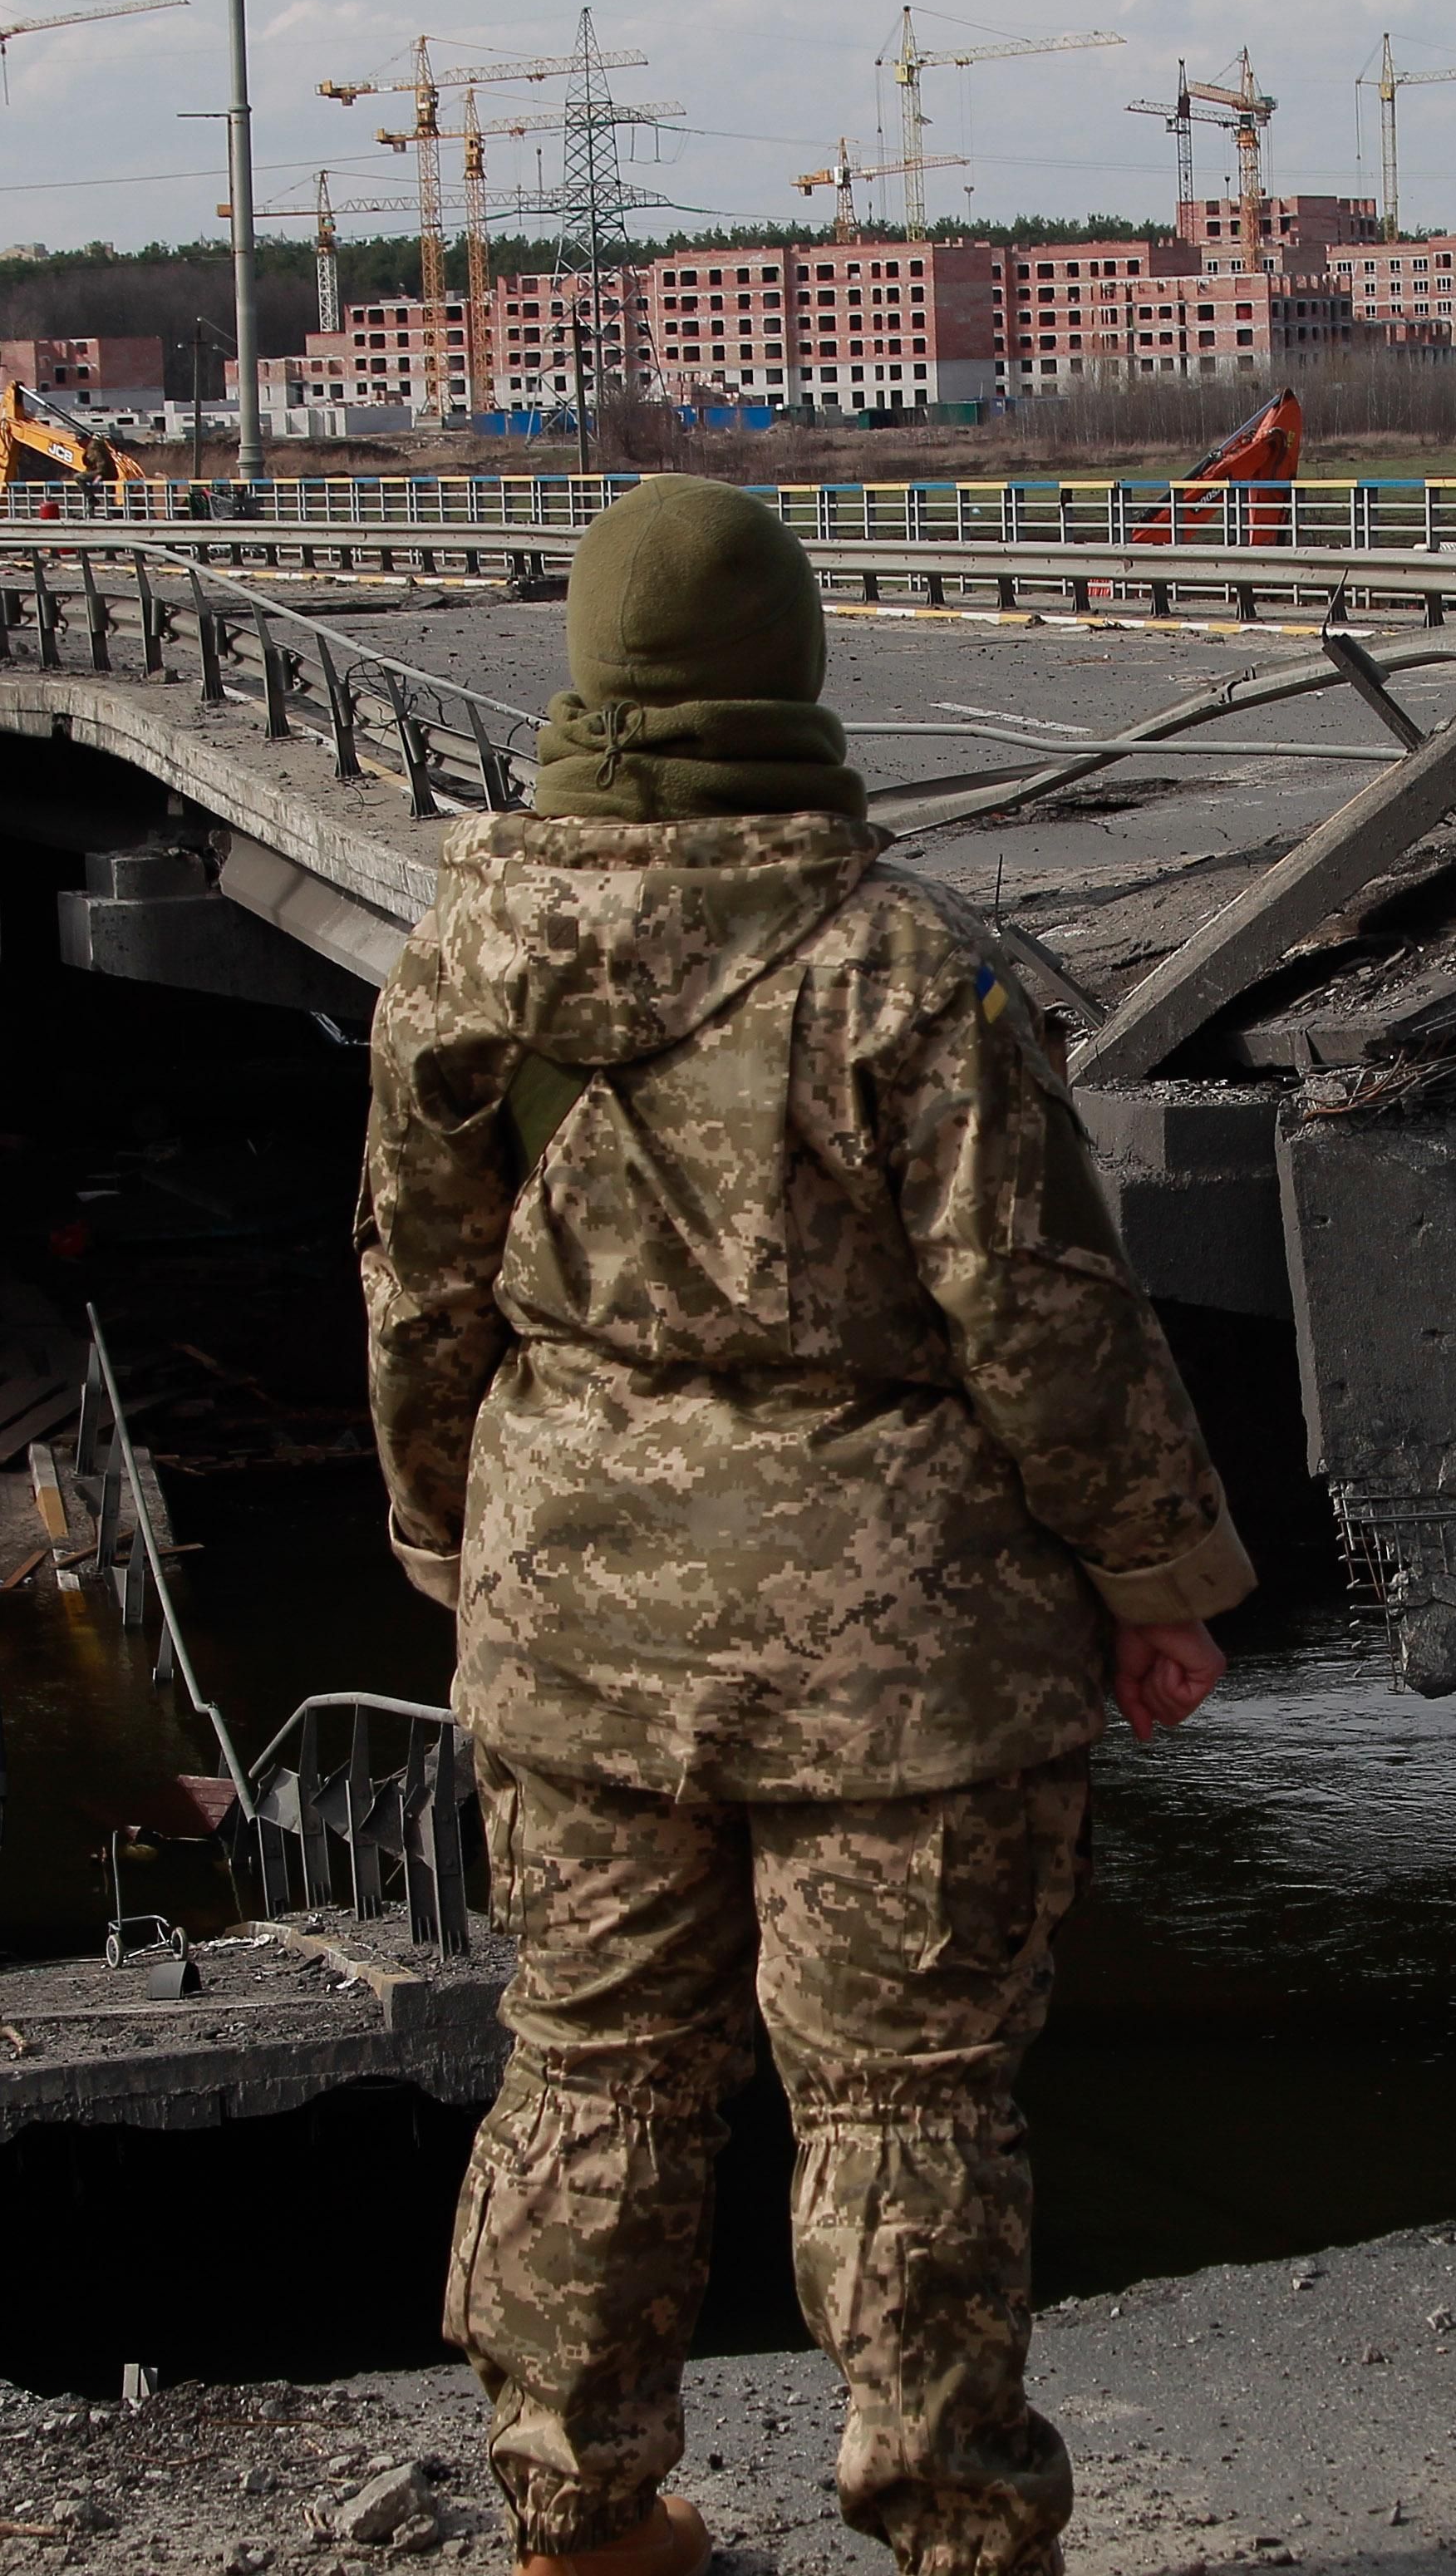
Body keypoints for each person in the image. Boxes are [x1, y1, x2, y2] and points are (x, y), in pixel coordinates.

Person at [359, 472, 1253, 2576]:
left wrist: (449, 1541)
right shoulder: (908, 970)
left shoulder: (464, 953)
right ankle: (954, 2532)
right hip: (902, 1647)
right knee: (907, 2104)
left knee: (591, 2073)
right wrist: (1156, 1579)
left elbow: (416, 1294)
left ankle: (580, 2516)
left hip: (578, 1610)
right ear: (792, 670)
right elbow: (1043, 1316)